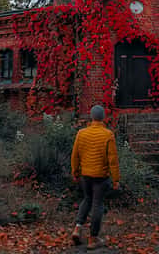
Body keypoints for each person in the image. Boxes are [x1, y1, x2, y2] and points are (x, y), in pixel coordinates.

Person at [71, 104, 120, 249]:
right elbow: (112, 160)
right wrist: (116, 179)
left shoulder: (81, 133)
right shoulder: (108, 134)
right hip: (101, 177)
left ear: (91, 117)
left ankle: (77, 229)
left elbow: (75, 155)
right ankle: (93, 239)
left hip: (85, 175)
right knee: (97, 204)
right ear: (103, 117)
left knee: (87, 199)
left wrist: (75, 172)